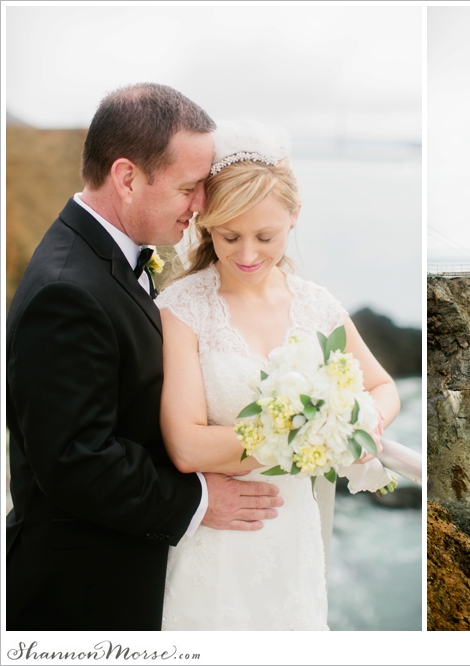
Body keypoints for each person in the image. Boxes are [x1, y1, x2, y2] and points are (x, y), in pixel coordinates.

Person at [5, 84, 284, 631]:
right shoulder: (67, 290)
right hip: (79, 597)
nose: (202, 204)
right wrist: (199, 500)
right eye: (189, 187)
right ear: (127, 177)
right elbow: (76, 461)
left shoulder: (108, 253)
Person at [155, 120, 400, 630]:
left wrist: (349, 422)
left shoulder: (317, 305)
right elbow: (186, 445)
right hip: (217, 543)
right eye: (229, 236)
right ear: (206, 225)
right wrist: (301, 436)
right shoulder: (181, 308)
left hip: (293, 537)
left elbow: (383, 387)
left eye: (265, 236)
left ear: (294, 217)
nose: (247, 255)